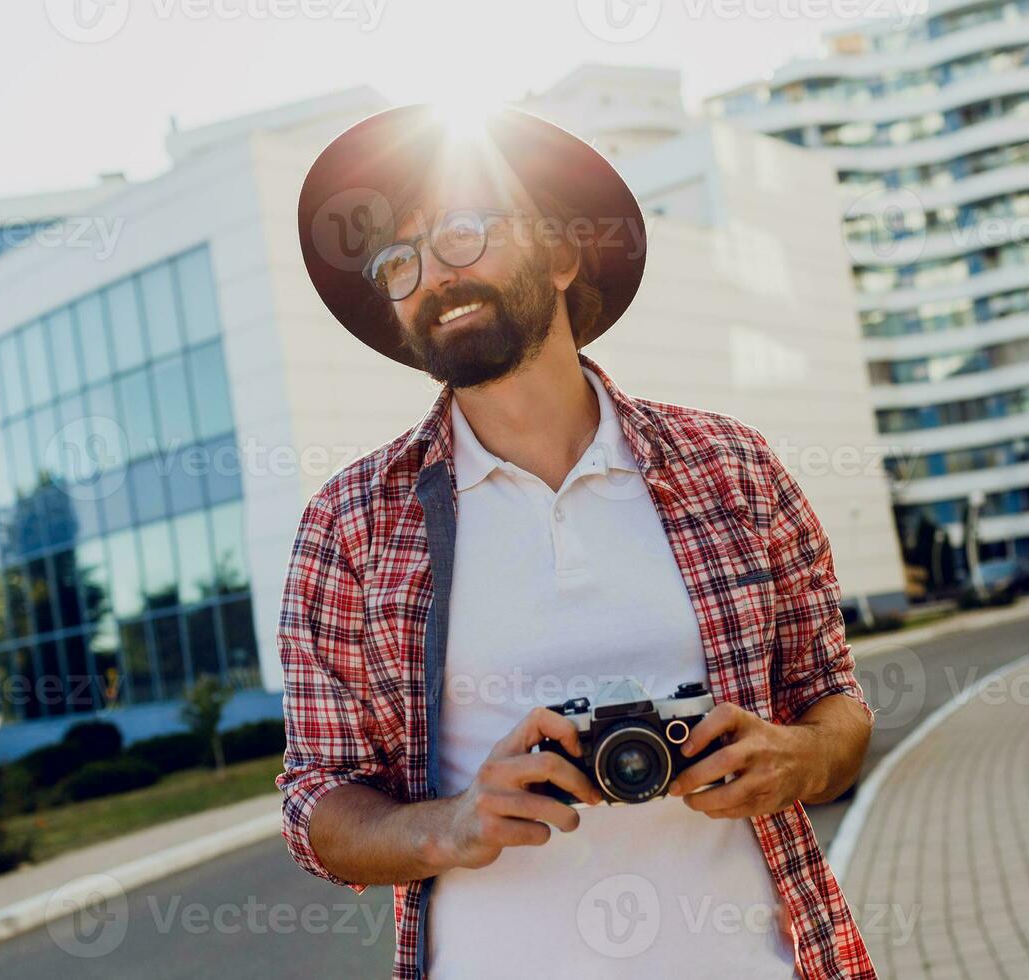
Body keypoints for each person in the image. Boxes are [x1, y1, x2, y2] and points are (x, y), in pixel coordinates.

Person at [278, 104, 876, 979]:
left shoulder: (732, 466)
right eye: (398, 263)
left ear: (562, 255)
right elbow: (315, 802)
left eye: (462, 234)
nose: (433, 276)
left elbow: (836, 706)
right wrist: (452, 823)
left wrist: (799, 756)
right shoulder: (350, 526)